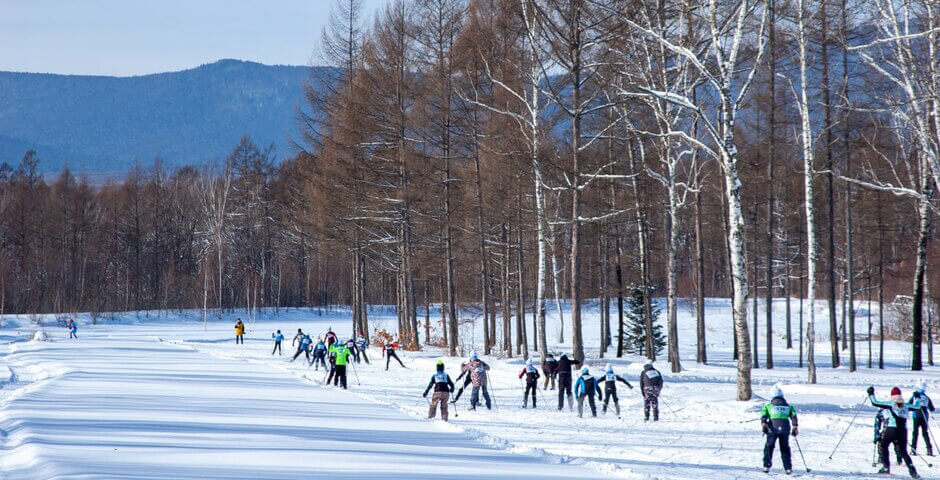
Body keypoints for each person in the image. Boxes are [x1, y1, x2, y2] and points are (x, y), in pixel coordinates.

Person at [868, 386, 919, 478]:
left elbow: (875, 402)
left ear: (892, 395)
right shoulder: (906, 405)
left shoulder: (891, 404)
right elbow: (917, 406)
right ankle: (913, 471)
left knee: (884, 446)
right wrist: (917, 397)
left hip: (892, 429)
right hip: (903, 431)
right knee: (903, 451)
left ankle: (886, 467)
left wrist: (871, 394)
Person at [760, 386, 798, 474]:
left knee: (769, 447)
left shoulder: (768, 406)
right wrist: (795, 426)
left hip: (772, 429)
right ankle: (788, 468)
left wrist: (764, 424)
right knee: (785, 448)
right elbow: (794, 416)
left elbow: (764, 416)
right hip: (785, 429)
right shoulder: (789, 407)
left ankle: (766, 466)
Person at [910, 382, 935, 456]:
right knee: (925, 433)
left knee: (915, 433)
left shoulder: (914, 396)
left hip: (916, 416)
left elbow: (909, 404)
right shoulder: (926, 397)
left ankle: (913, 449)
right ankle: (929, 450)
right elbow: (932, 408)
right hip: (925, 417)